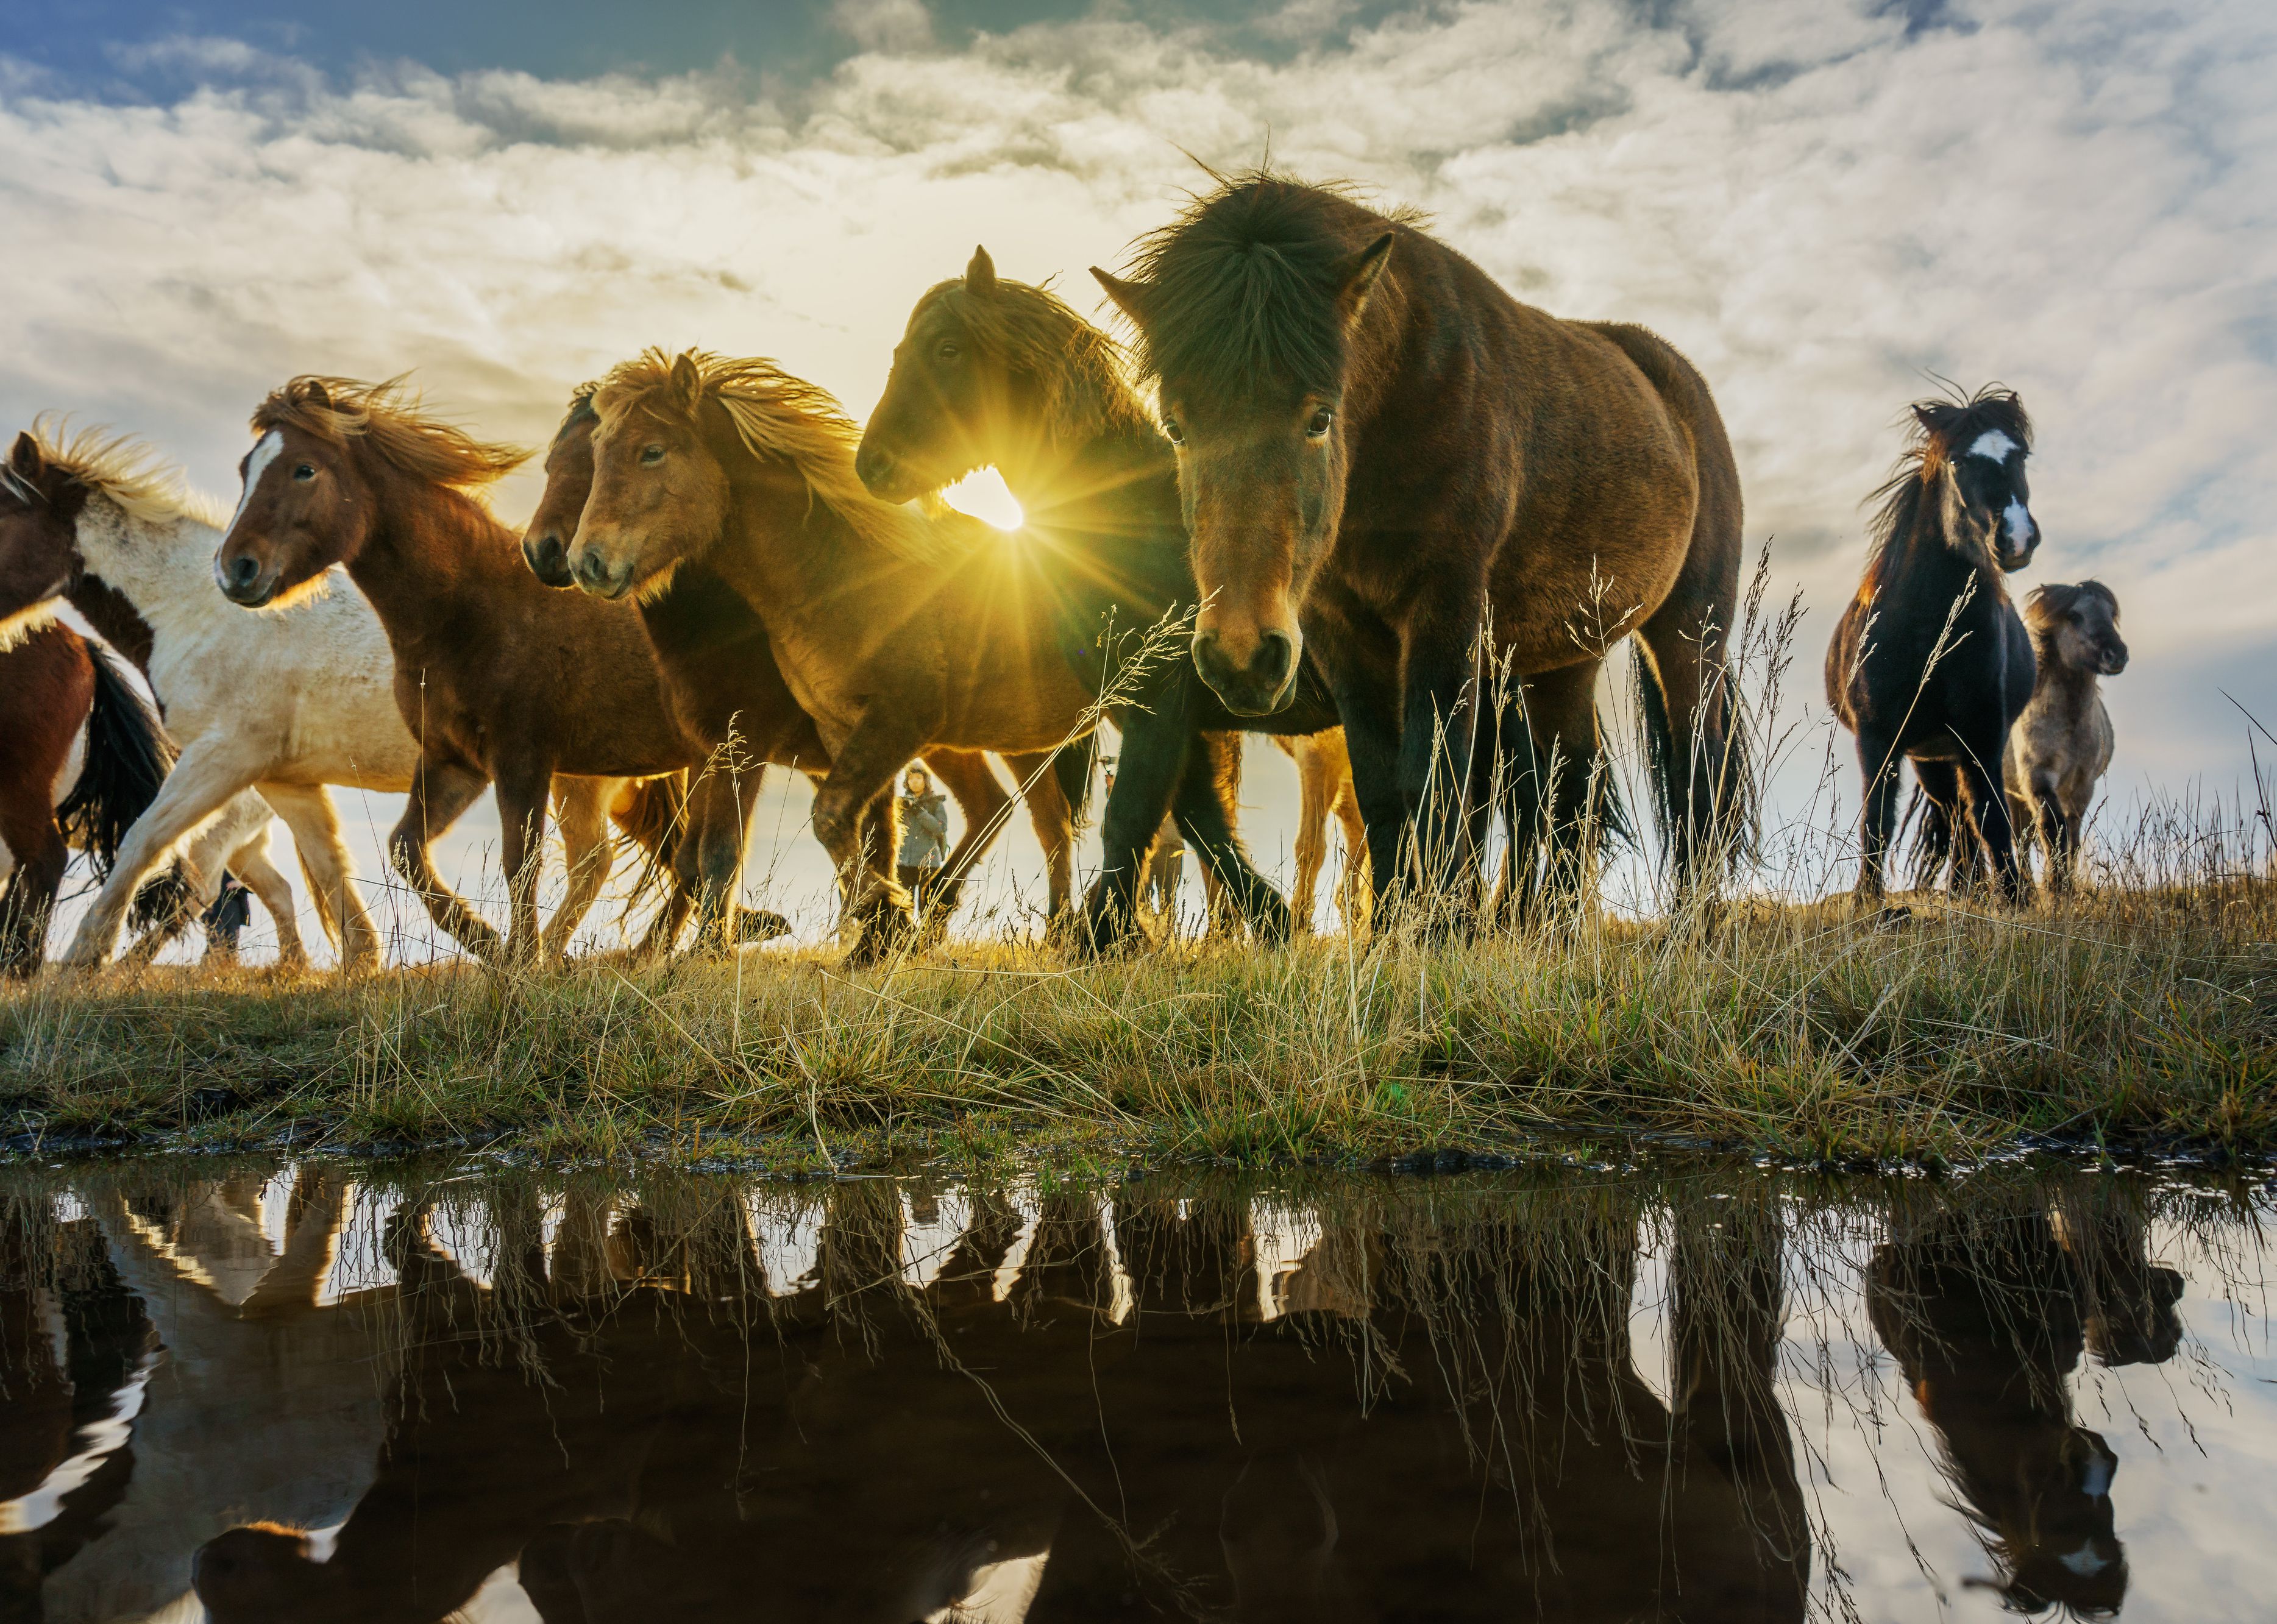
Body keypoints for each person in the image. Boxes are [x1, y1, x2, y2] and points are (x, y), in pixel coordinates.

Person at [896, 765, 950, 913]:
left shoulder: (935, 803)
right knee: (904, 907)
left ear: (925, 781)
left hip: (928, 864)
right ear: (906, 782)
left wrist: (919, 811)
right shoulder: (901, 804)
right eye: (911, 778)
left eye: (918, 778)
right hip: (904, 863)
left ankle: (926, 936)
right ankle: (905, 936)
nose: (915, 782)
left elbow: (940, 828)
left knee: (927, 906)